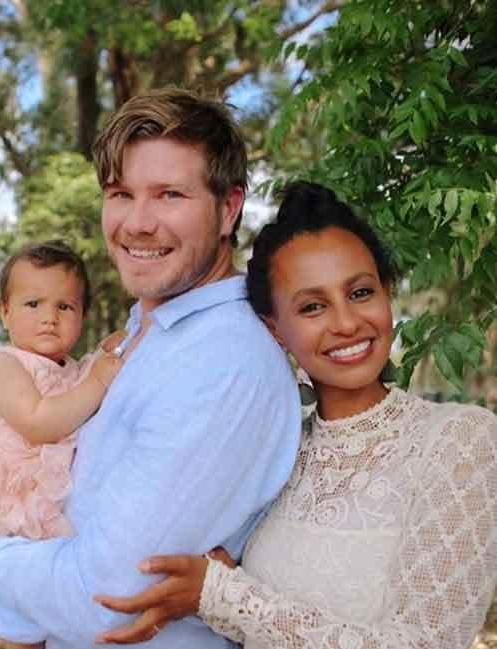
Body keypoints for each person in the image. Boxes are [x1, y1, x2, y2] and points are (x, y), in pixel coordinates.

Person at [0, 88, 301, 649]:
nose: (137, 223)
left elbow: (105, 602)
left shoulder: (224, 362)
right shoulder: (144, 334)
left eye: (169, 195)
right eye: (121, 193)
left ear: (229, 209)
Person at [96, 182, 497, 649]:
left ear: (387, 294)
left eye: (362, 292)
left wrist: (222, 595)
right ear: (275, 329)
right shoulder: (276, 448)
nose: (347, 323)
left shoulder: (458, 440)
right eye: (312, 306)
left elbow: (428, 643)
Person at [0, 240, 123, 541]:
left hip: (46, 501)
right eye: (33, 304)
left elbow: (86, 377)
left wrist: (117, 346)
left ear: (82, 316)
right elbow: (37, 423)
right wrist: (98, 381)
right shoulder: (1, 365)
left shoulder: (72, 369)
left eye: (65, 306)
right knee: (3, 578)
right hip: (1, 505)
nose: (49, 318)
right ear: (4, 312)